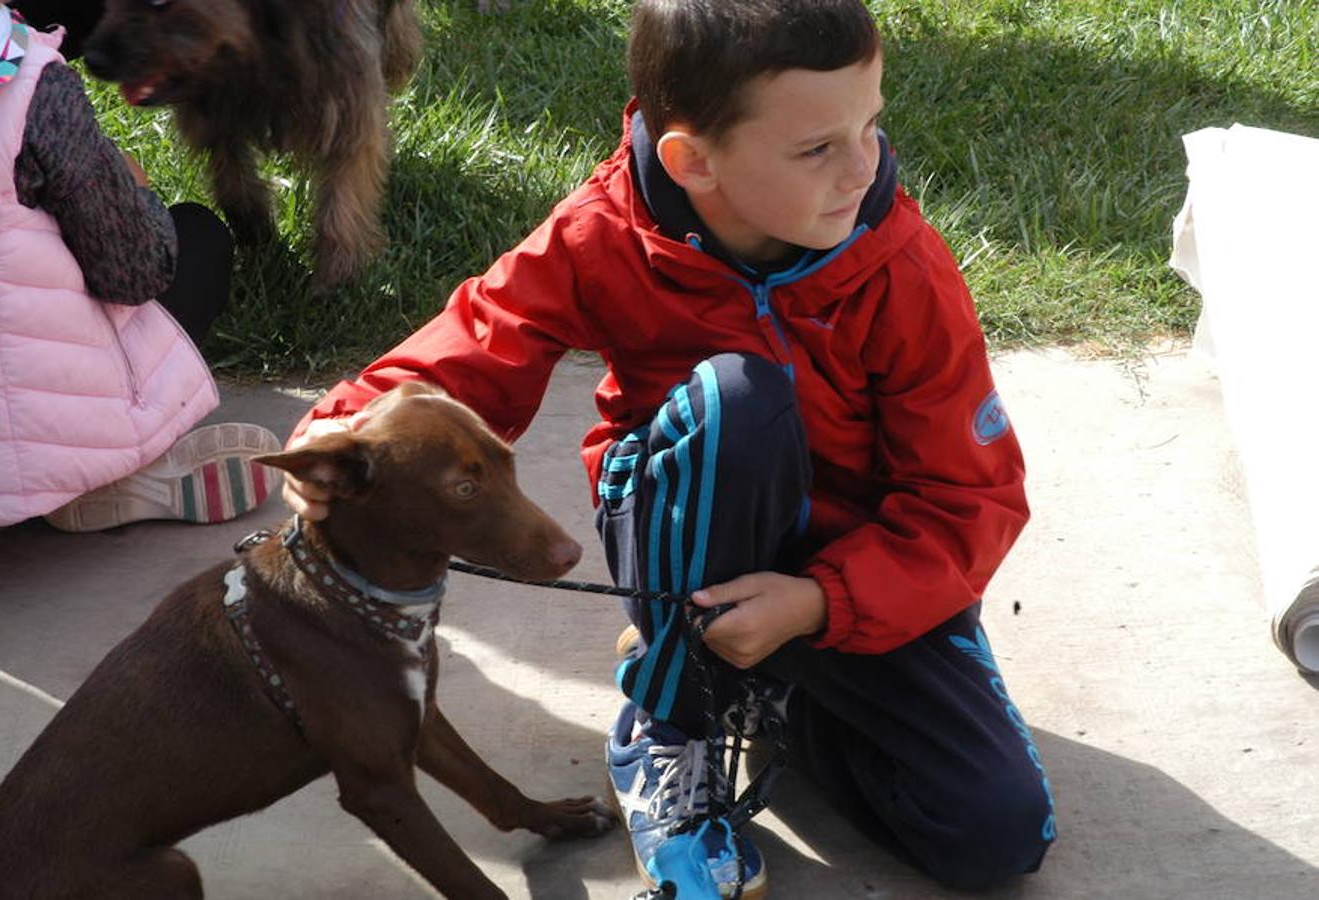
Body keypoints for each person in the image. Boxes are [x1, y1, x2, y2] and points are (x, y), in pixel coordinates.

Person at [282, 0, 1055, 894]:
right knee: (742, 398)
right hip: (686, 528)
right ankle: (672, 717)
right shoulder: (602, 231)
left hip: (855, 571)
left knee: (995, 835)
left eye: (870, 125)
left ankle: (769, 687)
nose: (862, 166)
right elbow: (474, 348)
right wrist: (340, 425)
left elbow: (970, 499)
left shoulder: (902, 268)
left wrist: (816, 603)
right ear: (692, 161)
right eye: (816, 148)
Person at [0, 1, 278, 531]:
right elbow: (134, 273)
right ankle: (104, 469)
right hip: (23, 440)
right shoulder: (21, 81)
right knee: (198, 236)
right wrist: (131, 189)